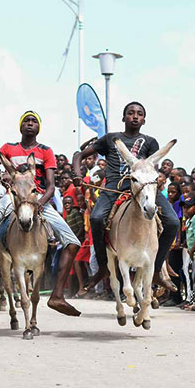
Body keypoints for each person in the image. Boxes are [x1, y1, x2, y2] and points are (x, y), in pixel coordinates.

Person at [0, 110, 82, 317]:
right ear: (20, 126)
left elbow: (50, 185)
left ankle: (57, 295)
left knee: (73, 242)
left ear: (38, 127)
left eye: (34, 121)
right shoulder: (8, 148)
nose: (30, 124)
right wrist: (2, 173)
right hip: (12, 197)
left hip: (36, 198)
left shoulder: (45, 151)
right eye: (26, 121)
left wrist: (40, 202)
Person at [72, 101, 180, 293]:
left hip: (141, 185)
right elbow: (79, 156)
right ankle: (103, 267)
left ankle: (156, 270)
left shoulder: (150, 141)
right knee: (96, 218)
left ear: (144, 120)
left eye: (139, 113)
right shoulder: (111, 138)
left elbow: (151, 167)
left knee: (172, 222)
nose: (135, 116)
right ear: (124, 118)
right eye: (131, 113)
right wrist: (78, 175)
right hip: (114, 185)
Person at [183, 197, 195, 309]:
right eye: (184, 207)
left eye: (188, 207)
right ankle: (193, 299)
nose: (185, 210)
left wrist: (192, 250)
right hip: (192, 253)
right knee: (193, 276)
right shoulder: (188, 220)